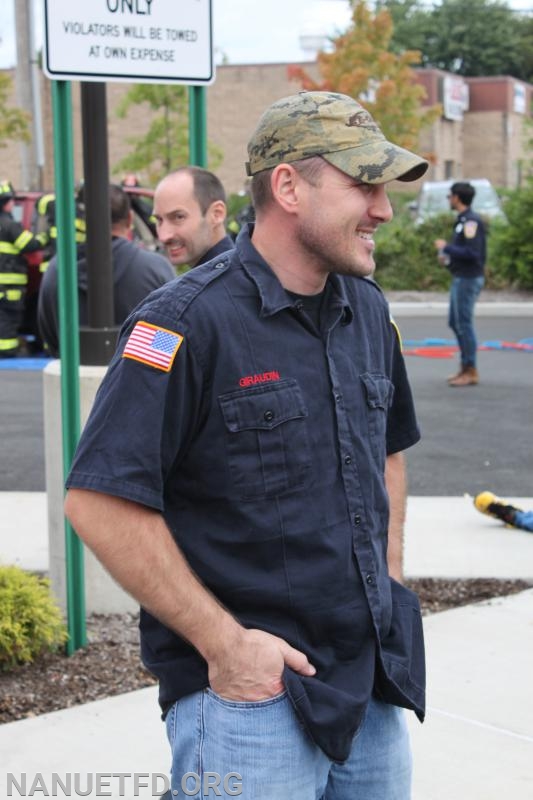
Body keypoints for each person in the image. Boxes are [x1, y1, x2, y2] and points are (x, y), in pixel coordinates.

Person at [64, 91, 428, 799]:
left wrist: (388, 586)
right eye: (362, 184)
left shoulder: (367, 309)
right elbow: (98, 501)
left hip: (369, 685)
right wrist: (227, 647)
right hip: (250, 702)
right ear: (289, 186)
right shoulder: (182, 323)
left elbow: (387, 450)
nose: (382, 209)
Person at [37, 184, 175, 357]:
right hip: (139, 378)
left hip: (74, 376)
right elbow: (173, 336)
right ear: (130, 219)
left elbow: (50, 334)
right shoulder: (156, 268)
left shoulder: (58, 270)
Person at [434, 181, 486, 387]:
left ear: (457, 197)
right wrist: (448, 258)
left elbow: (473, 253)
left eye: (450, 196)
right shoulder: (462, 220)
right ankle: (465, 366)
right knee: (455, 323)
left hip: (468, 278)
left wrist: (447, 248)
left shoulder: (471, 221)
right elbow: (463, 251)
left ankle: (470, 369)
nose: (449, 200)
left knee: (463, 324)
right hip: (461, 275)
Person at [153, 166, 234, 269]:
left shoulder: (229, 281)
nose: (163, 236)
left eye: (178, 217)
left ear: (216, 214)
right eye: (159, 220)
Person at [0, 180, 47, 357]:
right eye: (11, 201)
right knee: (8, 320)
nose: (13, 204)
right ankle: (7, 351)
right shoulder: (10, 225)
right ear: (5, 203)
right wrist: (45, 237)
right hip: (9, 287)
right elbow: (29, 244)